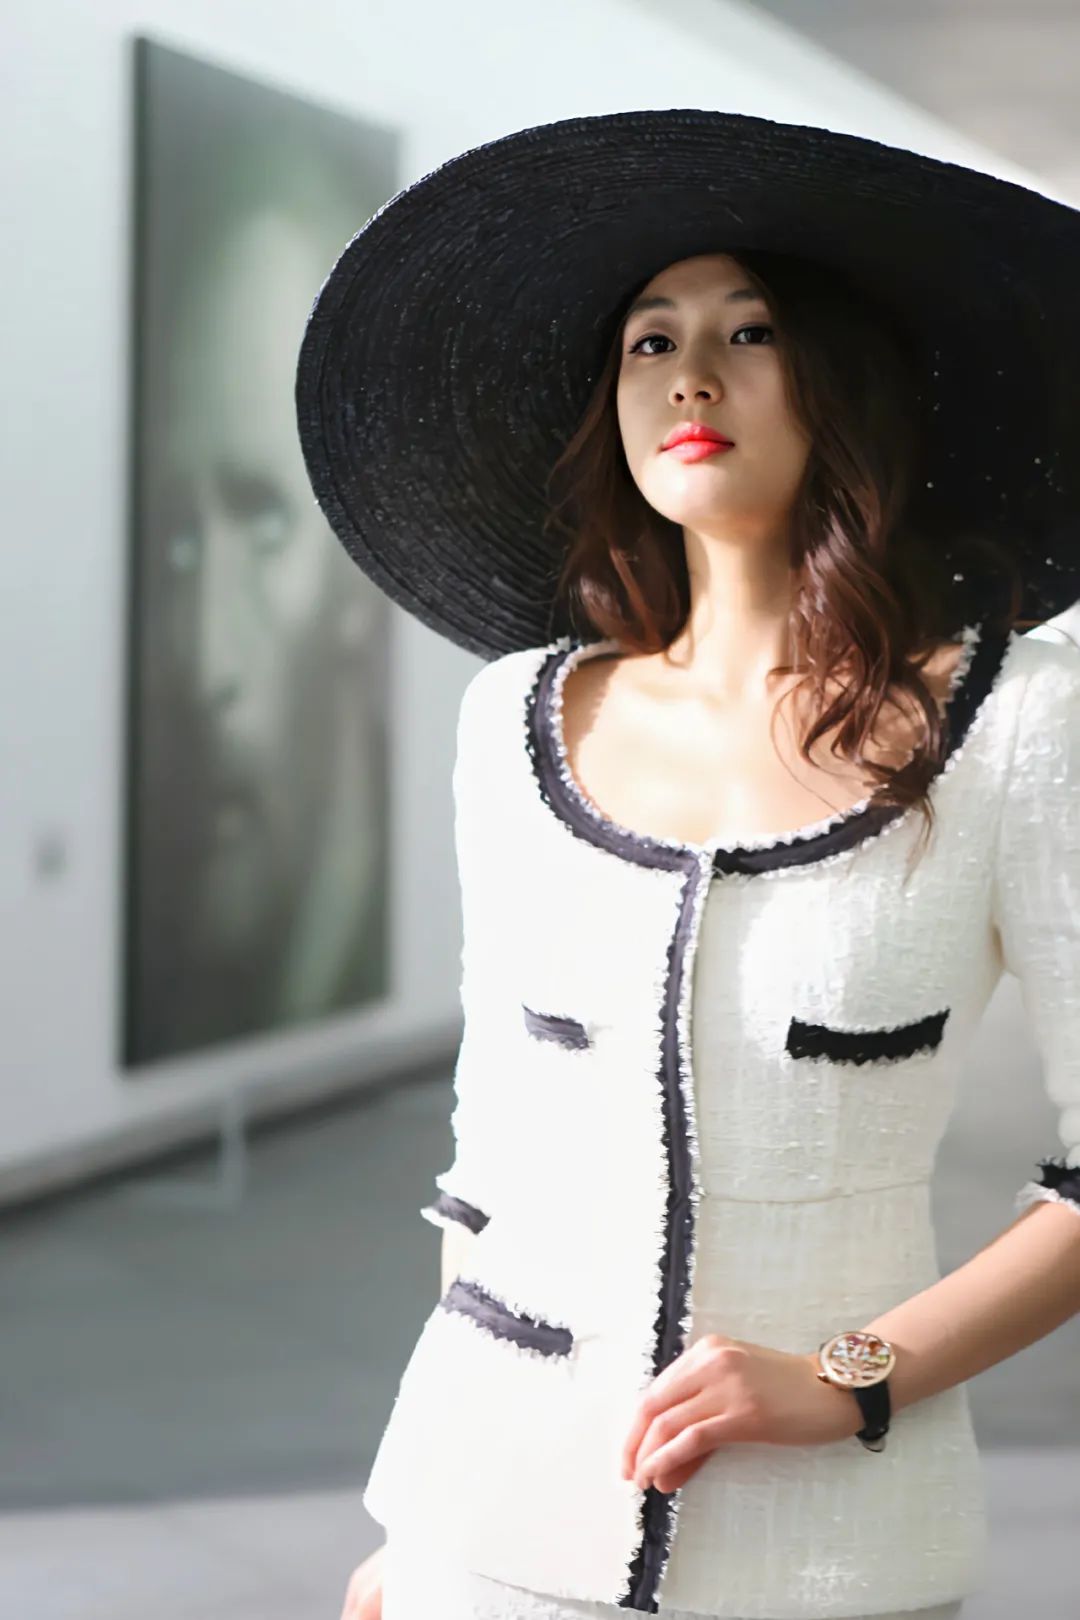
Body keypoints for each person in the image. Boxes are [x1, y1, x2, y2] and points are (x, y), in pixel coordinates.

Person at [294, 109, 1080, 1620]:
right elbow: (491, 1157)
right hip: (484, 1526)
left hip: (830, 1547)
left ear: (844, 381)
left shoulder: (1014, 724)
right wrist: (425, 1516)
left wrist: (852, 1377)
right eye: (649, 341)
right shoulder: (517, 718)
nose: (690, 376)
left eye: (749, 331)